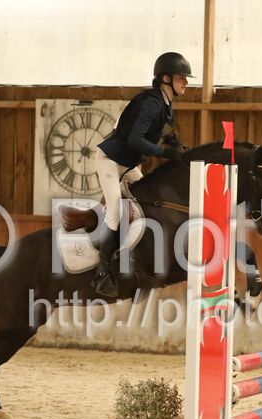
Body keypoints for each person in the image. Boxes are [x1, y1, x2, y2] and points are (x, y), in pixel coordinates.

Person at [92, 52, 192, 298]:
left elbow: (163, 133)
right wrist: (165, 153)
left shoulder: (165, 105)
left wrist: (177, 146)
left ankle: (138, 263)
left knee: (149, 200)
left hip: (126, 165)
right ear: (166, 78)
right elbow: (135, 139)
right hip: (110, 161)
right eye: (181, 78)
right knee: (115, 210)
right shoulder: (151, 103)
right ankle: (102, 272)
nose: (186, 83)